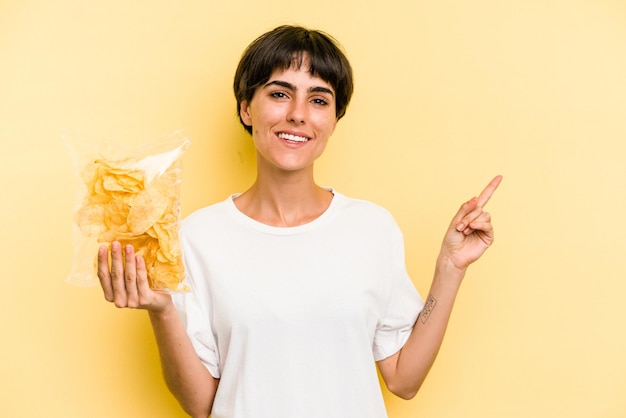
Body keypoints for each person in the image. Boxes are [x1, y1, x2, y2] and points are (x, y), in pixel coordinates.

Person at [97, 25, 502, 418]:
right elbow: (203, 404)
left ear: (334, 120)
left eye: (319, 100)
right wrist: (162, 311)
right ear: (245, 108)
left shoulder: (371, 228)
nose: (298, 115)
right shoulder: (197, 237)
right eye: (279, 94)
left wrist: (450, 267)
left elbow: (404, 379)